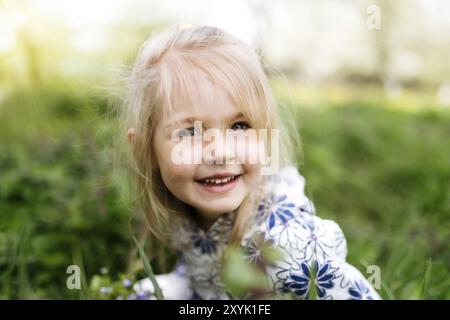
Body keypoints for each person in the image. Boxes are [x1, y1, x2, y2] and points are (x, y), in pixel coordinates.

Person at [124, 24, 380, 300]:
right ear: (146, 148)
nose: (220, 153)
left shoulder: (280, 243)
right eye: (190, 132)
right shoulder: (194, 210)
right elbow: (201, 272)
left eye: (239, 126)